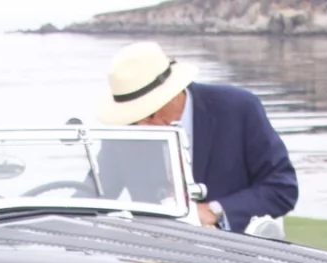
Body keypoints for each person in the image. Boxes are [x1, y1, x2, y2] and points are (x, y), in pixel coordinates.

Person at [95, 41, 297, 234]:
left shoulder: (238, 108)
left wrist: (213, 211)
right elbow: (96, 192)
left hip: (234, 255)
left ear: (173, 92)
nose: (141, 126)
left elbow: (282, 189)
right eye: (133, 117)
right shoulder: (124, 130)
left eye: (149, 113)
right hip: (153, 258)